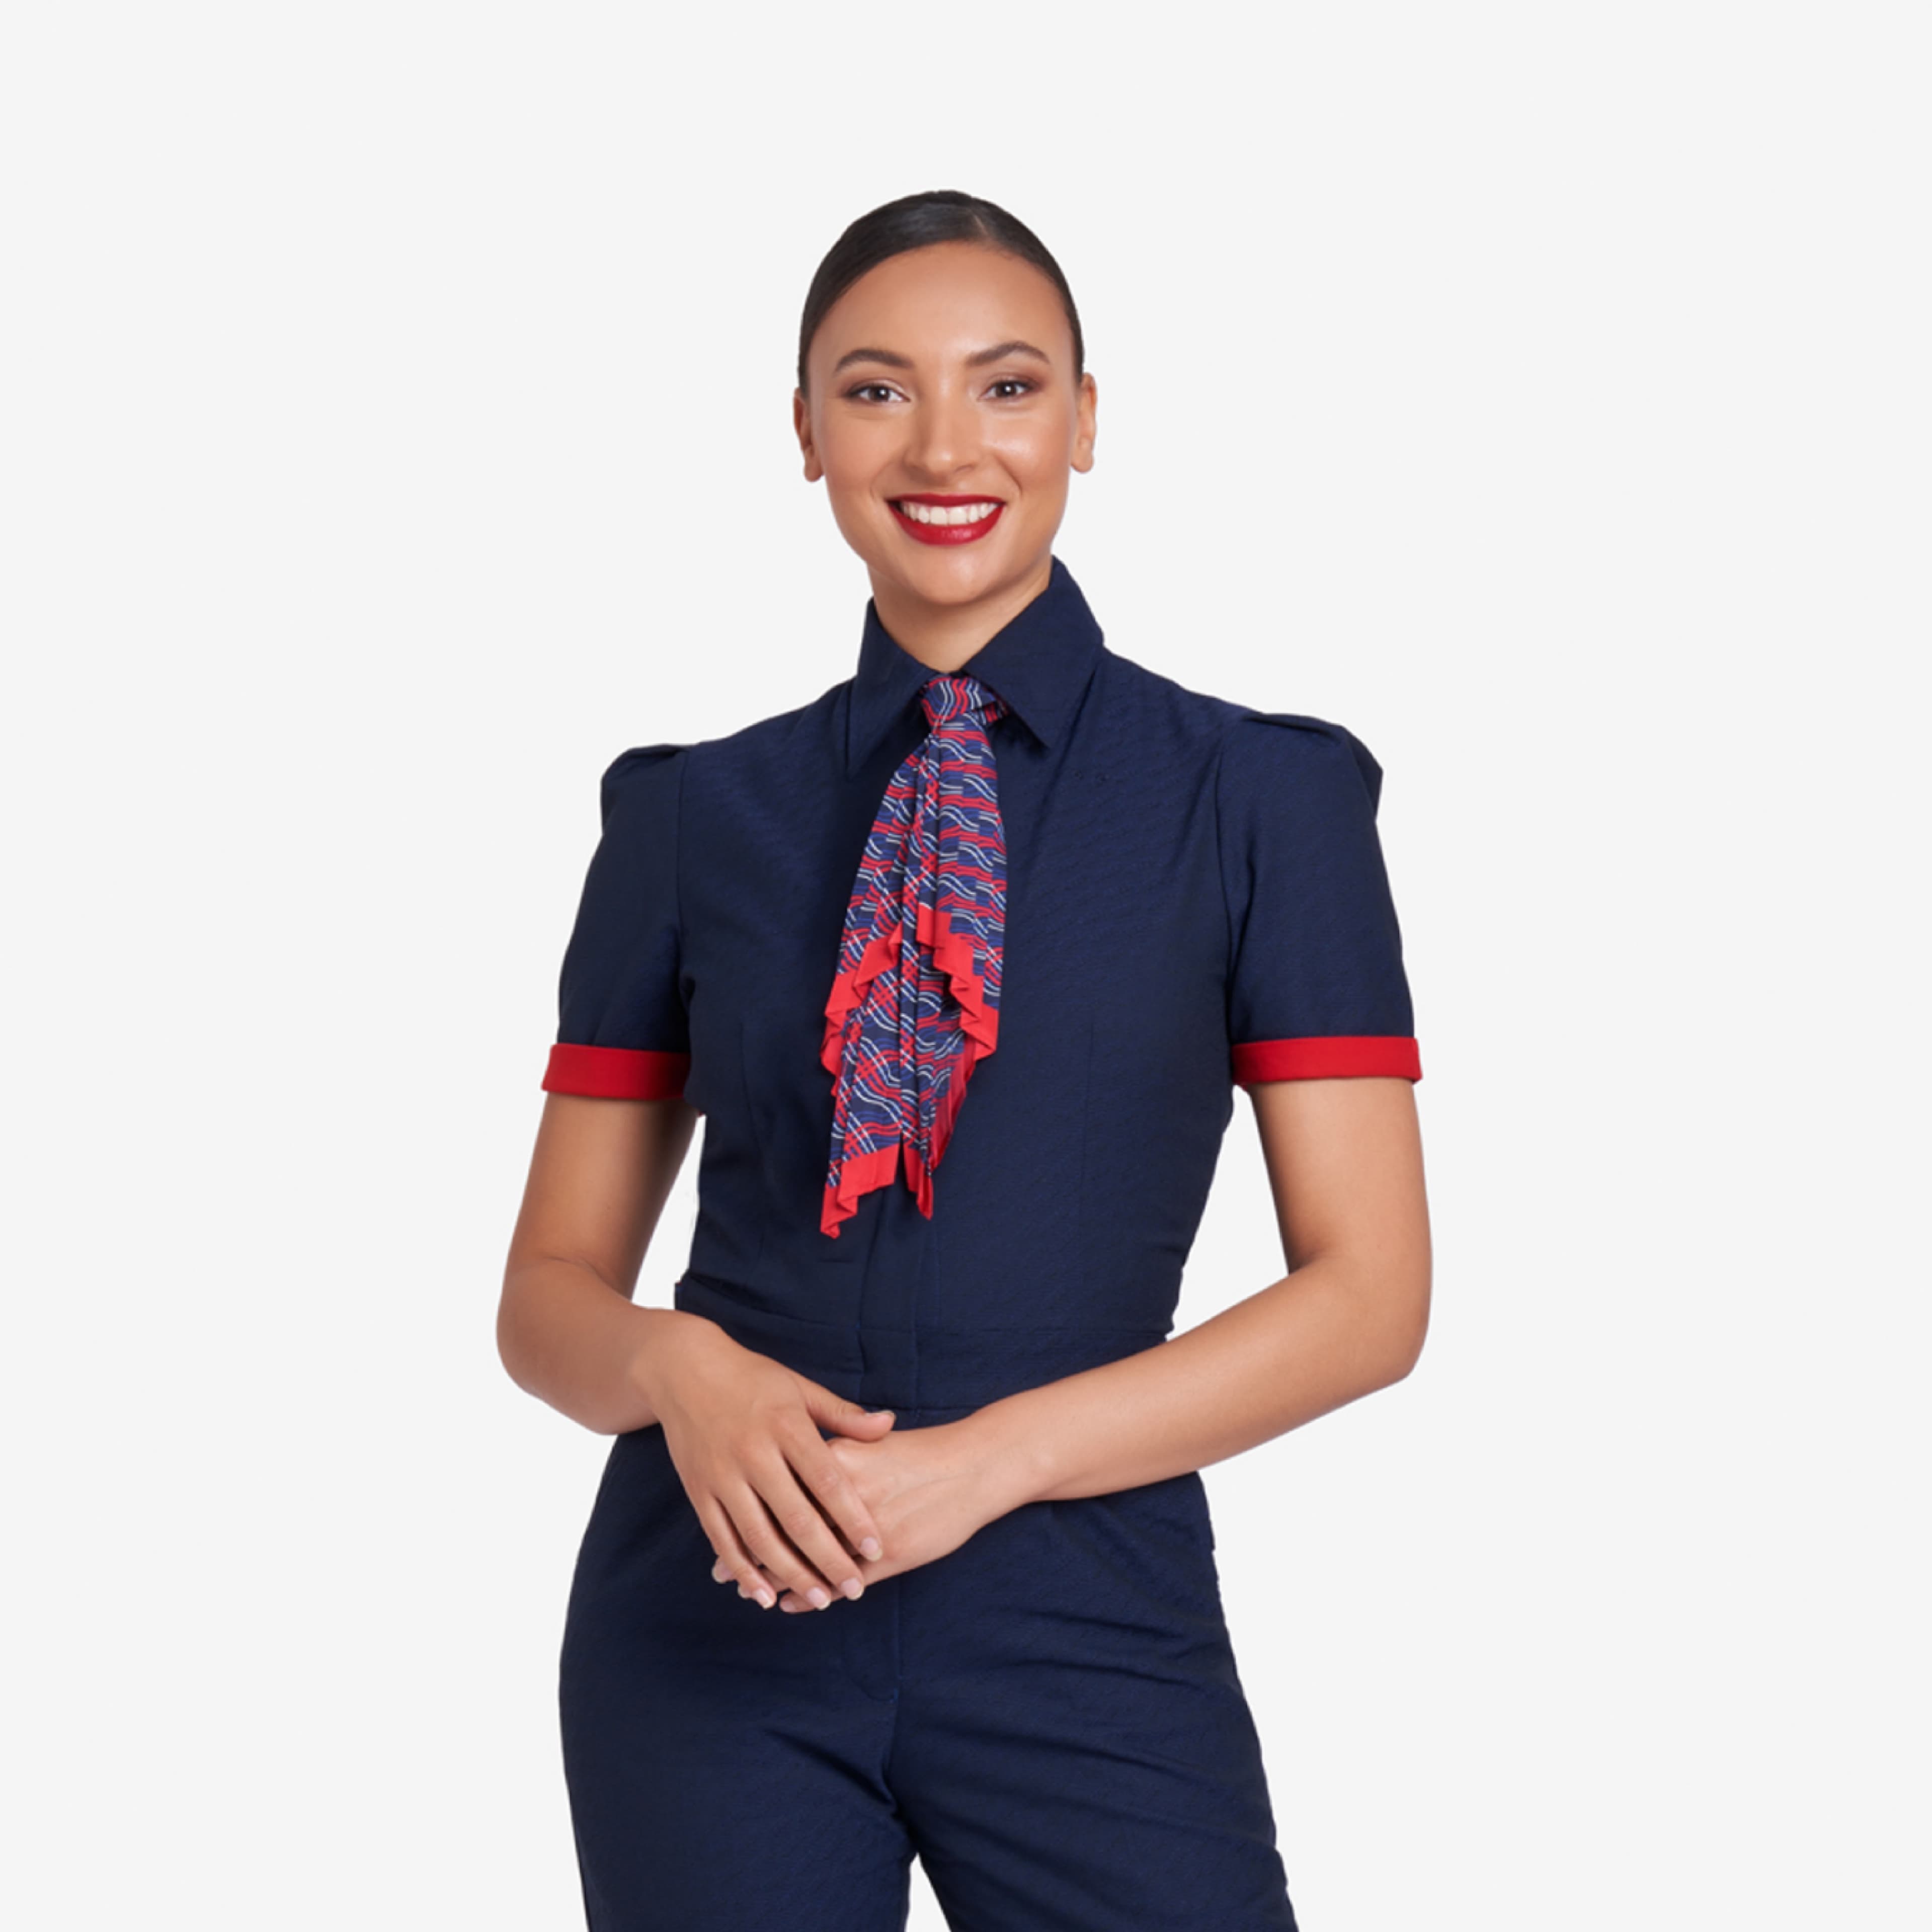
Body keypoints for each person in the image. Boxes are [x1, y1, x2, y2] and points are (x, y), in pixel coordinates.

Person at [498, 188, 1432, 1932]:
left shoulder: (1263, 801)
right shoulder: (690, 817)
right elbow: (545, 1300)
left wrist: (984, 1463)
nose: (944, 444)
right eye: (874, 390)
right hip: (716, 1613)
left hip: (1086, 1605)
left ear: (1086, 418)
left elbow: (1370, 1298)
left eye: (1006, 389)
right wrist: (681, 1370)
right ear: (802, 431)